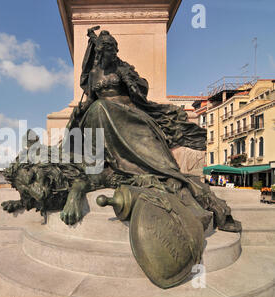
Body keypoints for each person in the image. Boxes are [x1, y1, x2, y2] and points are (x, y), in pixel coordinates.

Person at [64, 28, 241, 232]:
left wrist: (130, 82)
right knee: (97, 108)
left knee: (161, 167)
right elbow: (91, 101)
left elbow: (140, 94)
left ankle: (177, 185)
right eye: (107, 51)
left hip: (127, 114)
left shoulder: (123, 69)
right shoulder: (94, 74)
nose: (111, 55)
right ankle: (111, 158)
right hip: (101, 117)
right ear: (100, 53)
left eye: (113, 51)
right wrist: (79, 112)